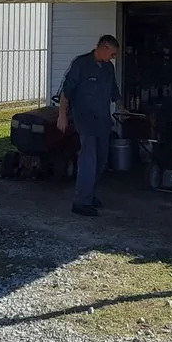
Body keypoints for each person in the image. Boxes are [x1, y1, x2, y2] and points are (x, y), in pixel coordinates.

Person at [57, 34, 121, 217]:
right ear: (103, 48)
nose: (114, 57)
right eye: (113, 53)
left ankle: (90, 194)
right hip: (85, 119)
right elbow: (66, 92)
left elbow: (113, 89)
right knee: (89, 159)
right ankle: (81, 202)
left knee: (101, 160)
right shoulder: (81, 64)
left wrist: (121, 104)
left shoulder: (108, 68)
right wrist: (62, 115)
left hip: (102, 120)